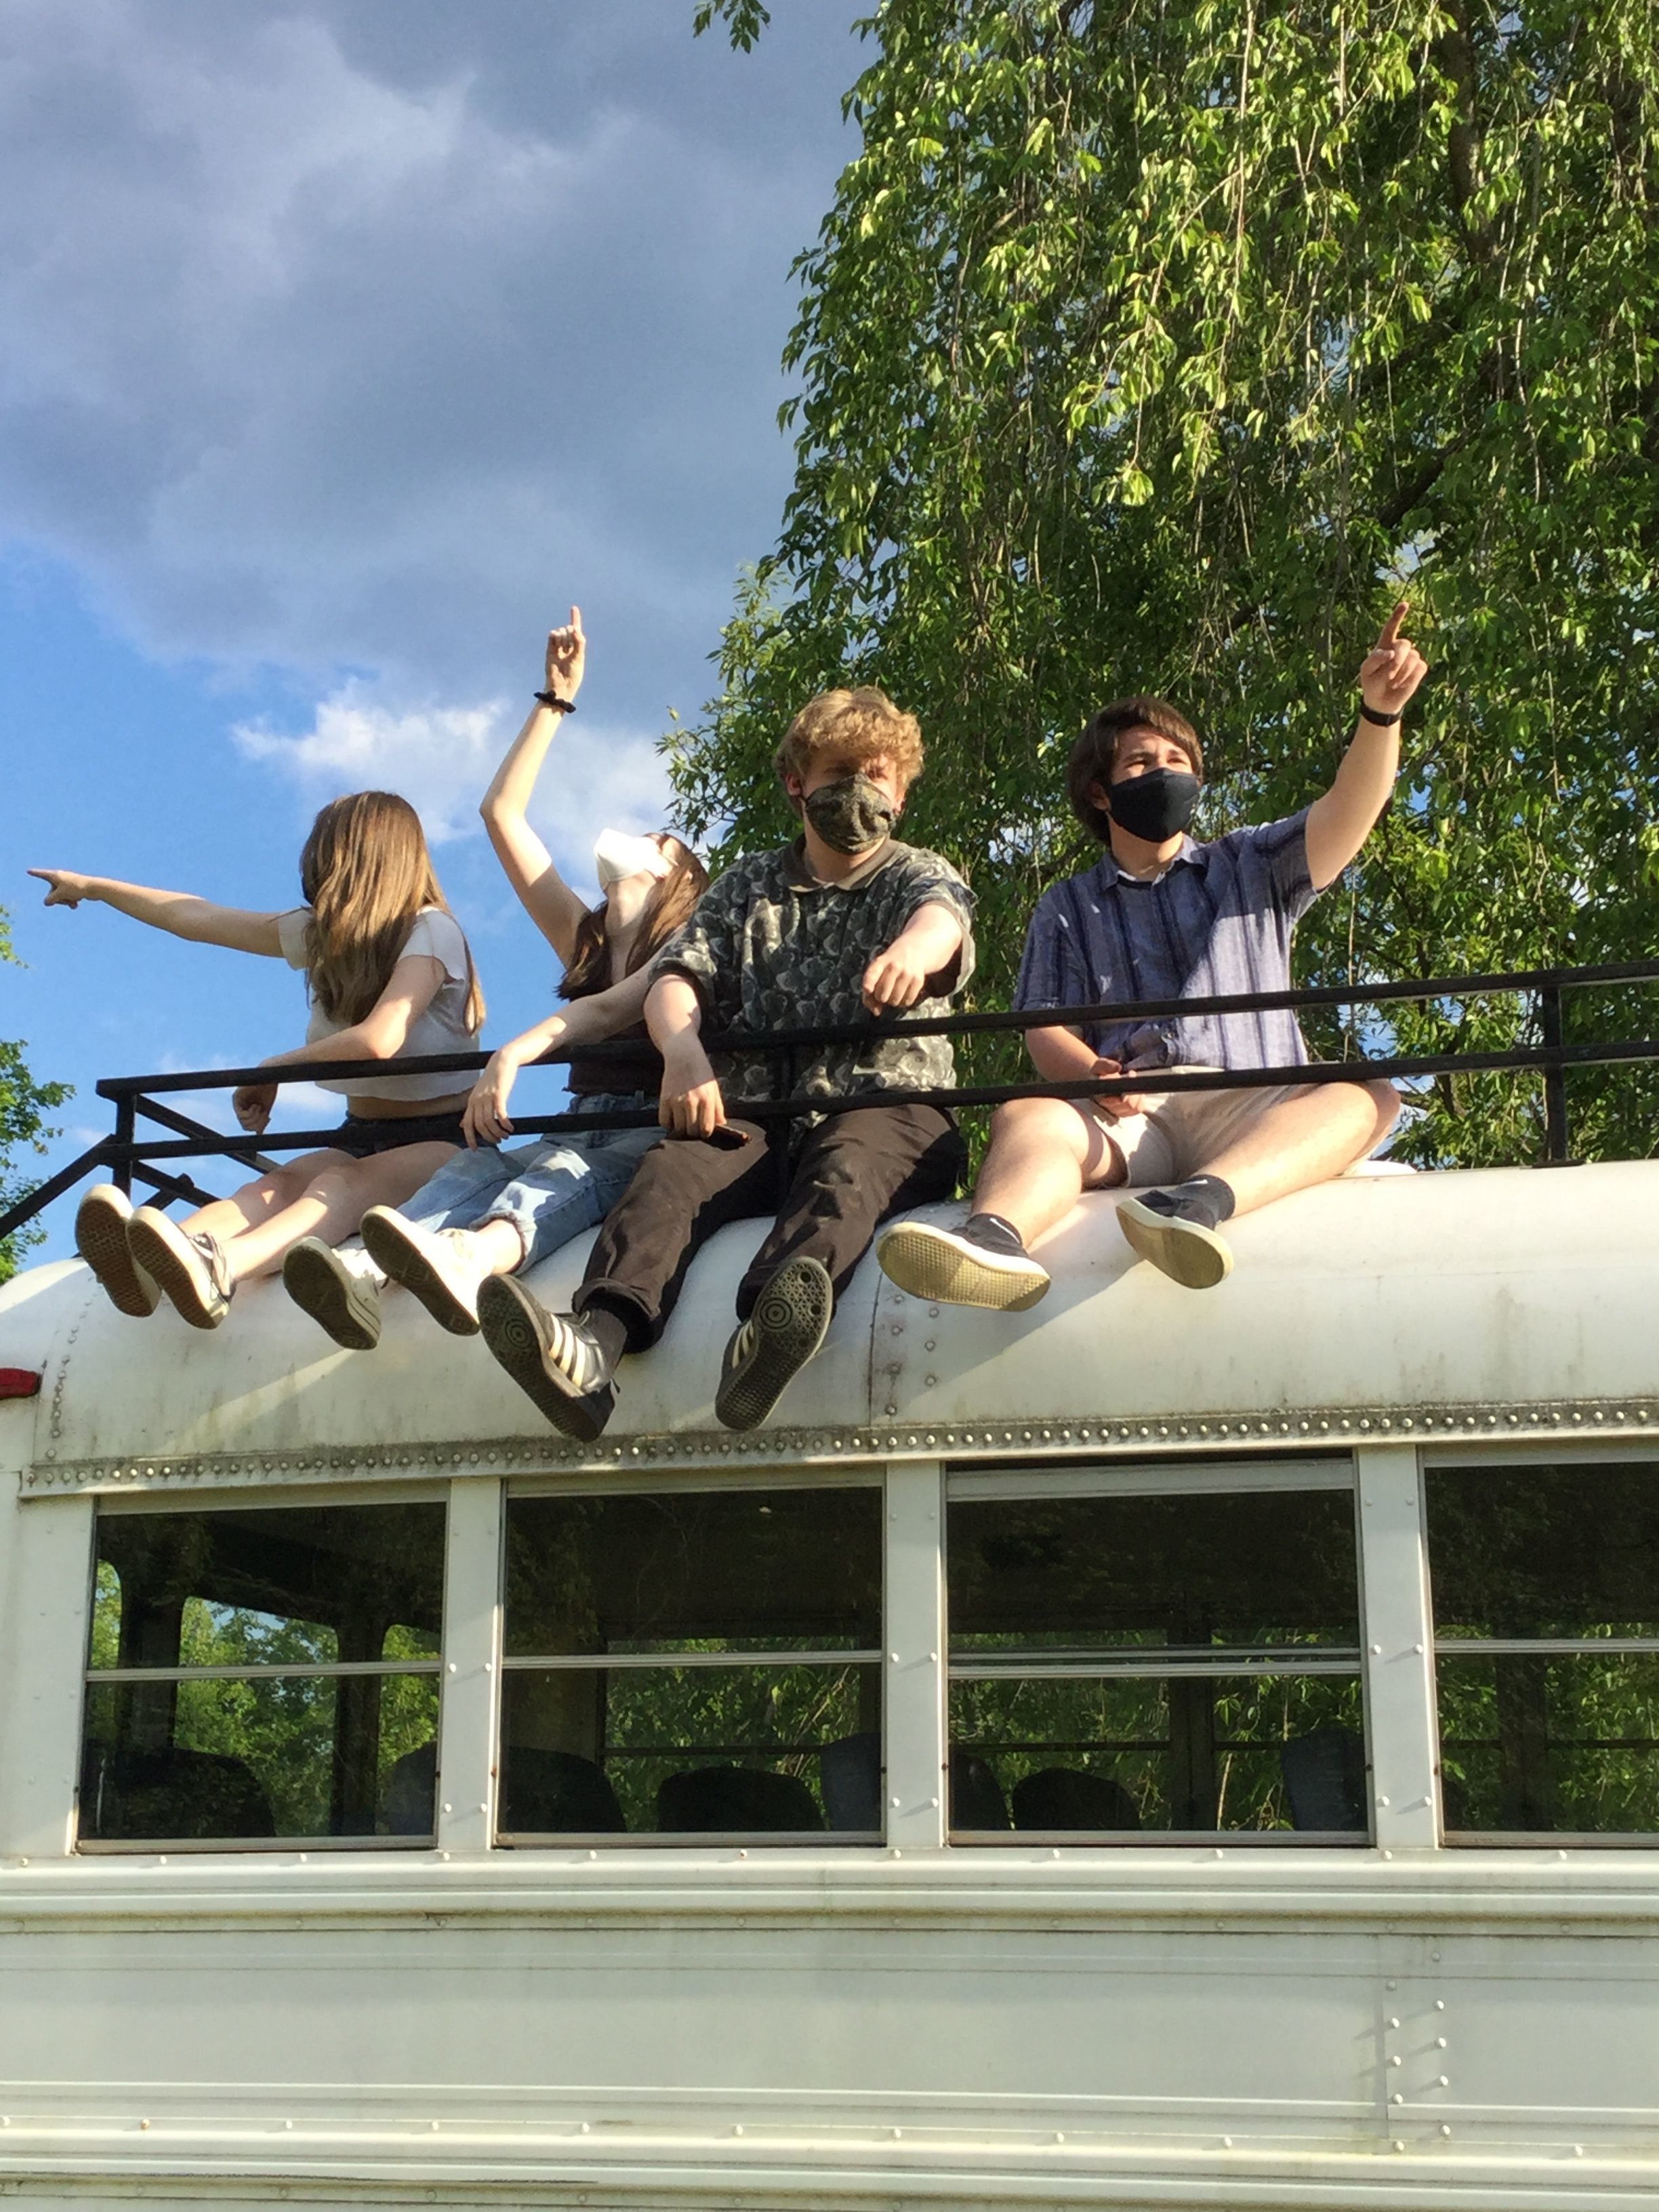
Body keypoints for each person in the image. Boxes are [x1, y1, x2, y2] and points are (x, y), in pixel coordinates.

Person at [877, 603, 1429, 1309]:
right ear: (1101, 793)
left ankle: (1198, 1203)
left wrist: (1379, 715)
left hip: (1257, 1102)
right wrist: (1091, 1075)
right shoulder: (1068, 904)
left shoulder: (1253, 862)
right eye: (1142, 761)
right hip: (1136, 1115)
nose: (1164, 772)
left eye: (1178, 762)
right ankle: (993, 1241)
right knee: (1028, 1114)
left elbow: (1351, 806)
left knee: (1370, 1096)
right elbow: (1045, 1026)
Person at [473, 684, 975, 1439]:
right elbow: (677, 979)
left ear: (902, 789)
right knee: (672, 1170)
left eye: (880, 773)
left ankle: (766, 1336)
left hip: (884, 1104)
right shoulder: (748, 886)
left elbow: (943, 918)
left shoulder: (916, 873)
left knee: (847, 1168)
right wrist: (680, 1052)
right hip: (759, 1115)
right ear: (797, 782)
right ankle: (590, 1350)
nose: (862, 789)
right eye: (842, 769)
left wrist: (913, 950)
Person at [279, 609, 709, 1350]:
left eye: (654, 835)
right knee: (478, 1168)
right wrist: (555, 701)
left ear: (679, 872)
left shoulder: (698, 942)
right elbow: (501, 813)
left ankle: (468, 1263)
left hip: (647, 1127)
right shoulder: (586, 937)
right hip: (583, 1116)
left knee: (564, 1174)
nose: (632, 838)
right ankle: (360, 1269)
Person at [30, 791, 485, 1329]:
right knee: (269, 1189)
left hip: (440, 1141)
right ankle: (150, 1254)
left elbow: (380, 1040)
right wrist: (96, 888)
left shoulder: (431, 930)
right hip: (359, 1131)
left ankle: (219, 1268)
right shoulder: (326, 938)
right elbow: (196, 918)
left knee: (337, 1189)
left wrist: (271, 1070)